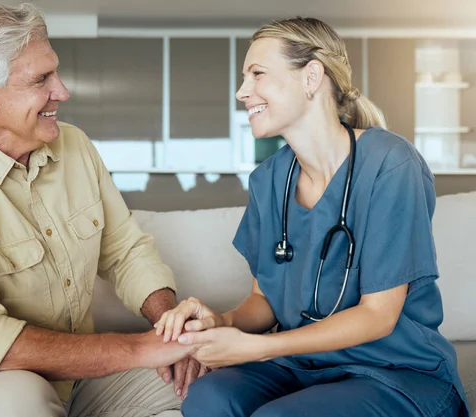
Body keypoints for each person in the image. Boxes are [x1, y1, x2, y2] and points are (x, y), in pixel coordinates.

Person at [0, 4, 205, 417]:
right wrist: (137, 347)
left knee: (200, 383)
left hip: (72, 379)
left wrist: (171, 328)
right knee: (22, 400)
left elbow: (125, 251)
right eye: (41, 79)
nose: (63, 91)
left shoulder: (73, 146)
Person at [154, 17, 468, 417]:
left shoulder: (390, 164)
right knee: (208, 399)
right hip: (304, 367)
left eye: (257, 74)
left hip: (395, 372)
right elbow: (263, 299)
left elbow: (378, 315)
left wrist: (260, 347)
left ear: (311, 77)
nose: (241, 91)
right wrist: (222, 321)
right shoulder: (269, 180)